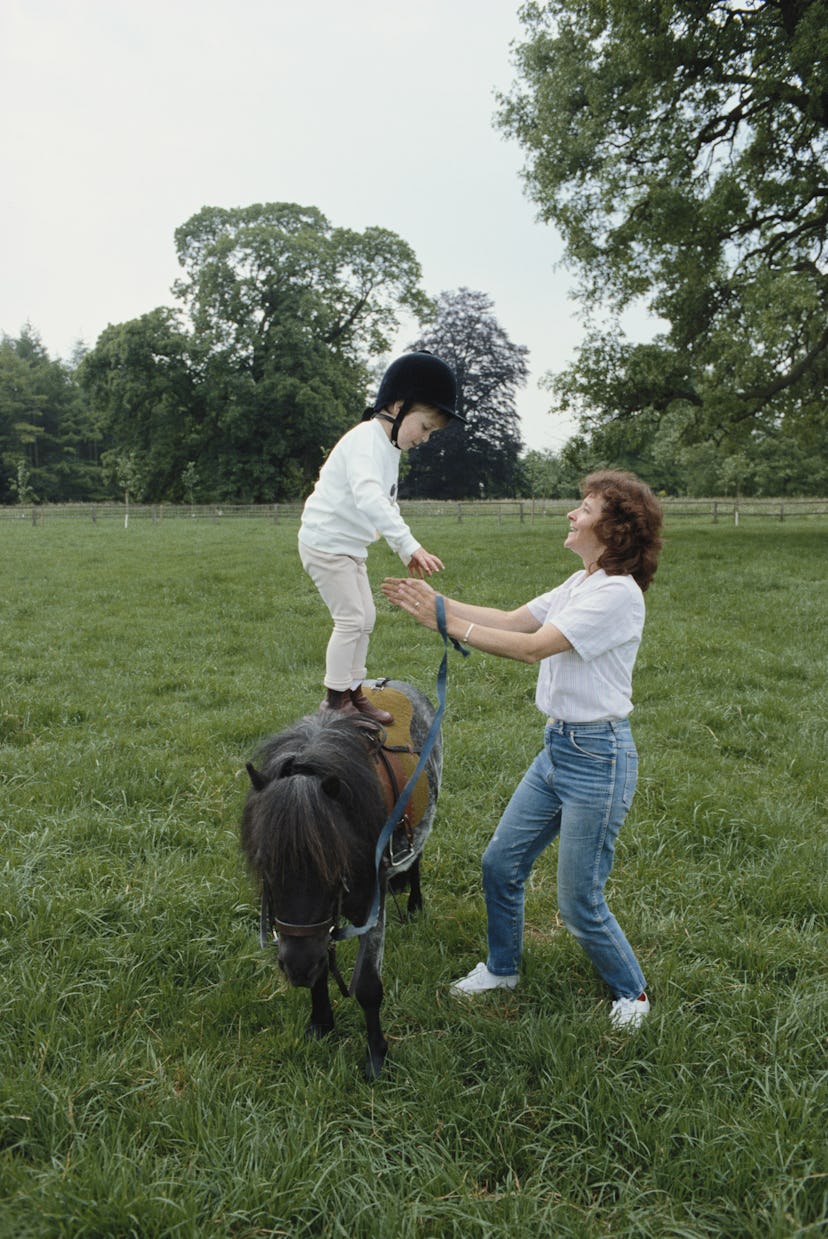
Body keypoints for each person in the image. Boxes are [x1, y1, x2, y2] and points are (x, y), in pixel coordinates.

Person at [382, 470, 664, 1028]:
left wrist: (446, 623)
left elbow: (533, 647)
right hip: (558, 749)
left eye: (584, 508)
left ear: (614, 529)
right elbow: (514, 619)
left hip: (598, 759)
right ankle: (502, 967)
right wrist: (438, 603)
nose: (572, 514)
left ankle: (633, 995)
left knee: (579, 904)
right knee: (500, 864)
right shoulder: (581, 581)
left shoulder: (615, 594)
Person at [299, 351, 464, 726]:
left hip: (348, 547)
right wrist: (409, 544)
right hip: (325, 543)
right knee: (351, 619)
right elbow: (369, 498)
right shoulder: (365, 440)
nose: (425, 438)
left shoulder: (388, 448)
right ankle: (334, 701)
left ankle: (354, 692)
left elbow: (387, 506)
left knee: (366, 617)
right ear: (397, 406)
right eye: (424, 427)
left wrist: (403, 547)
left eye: (431, 433)